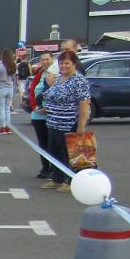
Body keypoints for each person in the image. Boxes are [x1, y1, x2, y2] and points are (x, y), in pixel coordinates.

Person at [39, 50, 91, 193]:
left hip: (68, 123)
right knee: (54, 152)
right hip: (53, 122)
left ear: (74, 64)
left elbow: (84, 104)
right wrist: (47, 109)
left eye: (67, 63)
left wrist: (81, 125)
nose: (63, 66)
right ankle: (57, 179)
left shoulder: (78, 80)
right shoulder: (60, 78)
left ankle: (71, 181)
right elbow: (54, 96)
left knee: (69, 154)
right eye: (61, 63)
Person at [28, 53, 55, 179]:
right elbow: (32, 91)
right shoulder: (39, 75)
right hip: (38, 115)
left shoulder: (56, 74)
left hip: (51, 114)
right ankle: (45, 168)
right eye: (42, 60)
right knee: (42, 143)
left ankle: (55, 169)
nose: (45, 61)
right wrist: (34, 106)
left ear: (52, 60)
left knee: (52, 143)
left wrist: (48, 108)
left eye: (47, 59)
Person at [0, 49, 18, 134]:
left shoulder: (1, 66)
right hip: (10, 88)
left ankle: (3, 127)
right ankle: (8, 127)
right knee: (8, 109)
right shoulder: (13, 66)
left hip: (1, 88)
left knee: (1, 108)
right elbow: (14, 78)